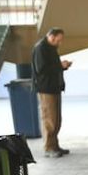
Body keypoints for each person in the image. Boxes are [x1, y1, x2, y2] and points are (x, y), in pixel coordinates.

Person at [31, 27, 71, 158]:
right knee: (49, 119)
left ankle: (55, 145)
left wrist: (62, 66)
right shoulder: (40, 48)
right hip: (46, 89)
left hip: (54, 87)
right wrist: (61, 66)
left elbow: (51, 66)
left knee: (57, 119)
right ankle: (48, 147)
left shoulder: (50, 48)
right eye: (58, 40)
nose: (60, 43)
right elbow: (41, 69)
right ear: (52, 37)